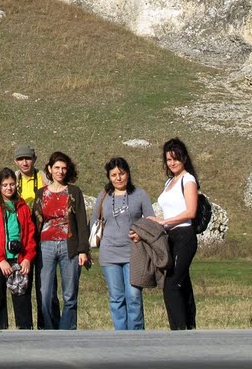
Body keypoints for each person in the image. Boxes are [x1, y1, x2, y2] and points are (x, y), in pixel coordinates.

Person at [91, 156, 156, 330]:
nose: (118, 178)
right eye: (114, 175)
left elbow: (151, 220)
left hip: (133, 253)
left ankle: (136, 336)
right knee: (116, 297)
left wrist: (141, 234)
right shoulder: (103, 196)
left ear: (128, 174)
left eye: (121, 173)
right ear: (109, 177)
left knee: (133, 296)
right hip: (109, 254)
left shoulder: (140, 194)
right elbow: (93, 222)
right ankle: (120, 336)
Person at [146, 137, 199, 330]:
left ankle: (178, 329)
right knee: (182, 281)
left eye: (176, 158)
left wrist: (164, 221)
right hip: (171, 237)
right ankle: (189, 325)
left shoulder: (188, 179)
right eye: (169, 159)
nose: (172, 162)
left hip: (184, 235)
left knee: (172, 284)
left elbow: (190, 212)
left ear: (184, 158)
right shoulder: (170, 181)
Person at [32, 151, 89, 330]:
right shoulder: (41, 193)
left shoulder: (74, 191)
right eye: (57, 168)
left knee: (70, 294)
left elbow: (81, 221)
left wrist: (83, 250)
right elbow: (35, 222)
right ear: (49, 169)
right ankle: (49, 330)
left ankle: (67, 330)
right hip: (45, 246)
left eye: (64, 168)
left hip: (69, 245)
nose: (60, 171)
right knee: (45, 294)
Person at [0, 167, 36, 329]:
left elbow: (30, 234)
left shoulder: (22, 206)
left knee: (22, 299)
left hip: (19, 259)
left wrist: (27, 258)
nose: (9, 188)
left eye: (12, 184)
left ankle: (25, 332)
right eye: (5, 185)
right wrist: (0, 260)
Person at [13, 144, 46, 328]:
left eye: (27, 158)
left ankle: (45, 325)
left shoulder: (43, 177)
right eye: (20, 159)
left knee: (44, 286)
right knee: (23, 283)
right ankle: (24, 326)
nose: (24, 162)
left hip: (43, 235)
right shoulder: (14, 179)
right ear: (15, 161)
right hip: (23, 237)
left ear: (34, 159)